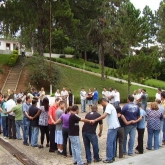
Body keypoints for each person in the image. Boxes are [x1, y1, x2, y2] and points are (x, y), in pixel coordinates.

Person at [91, 98, 120, 163]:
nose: (101, 105)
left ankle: (109, 158)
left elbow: (104, 116)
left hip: (112, 127)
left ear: (103, 101)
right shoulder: (110, 106)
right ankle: (112, 156)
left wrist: (95, 120)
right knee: (113, 142)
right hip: (115, 125)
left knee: (109, 143)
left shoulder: (108, 107)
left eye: (101, 103)